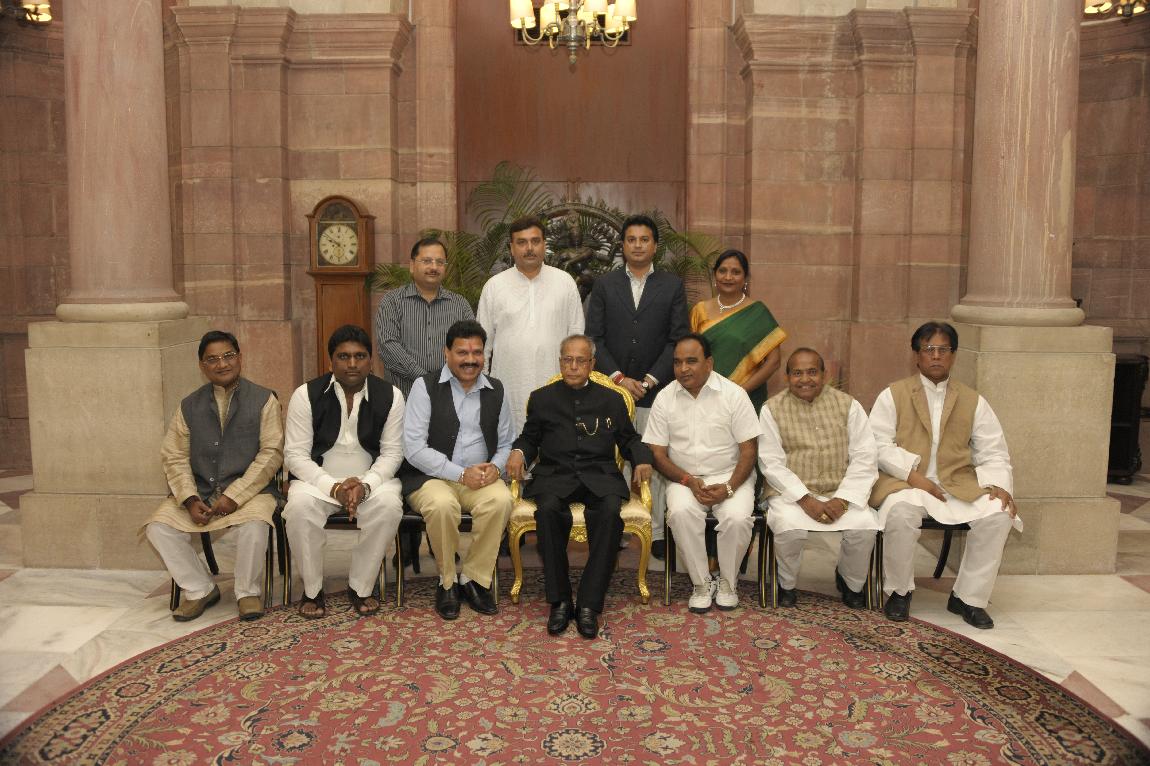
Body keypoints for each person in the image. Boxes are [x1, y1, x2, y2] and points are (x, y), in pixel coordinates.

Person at [870, 321, 1020, 629]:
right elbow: (877, 445)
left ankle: (968, 598)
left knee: (998, 513)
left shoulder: (973, 401)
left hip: (957, 484)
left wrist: (997, 485)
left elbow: (993, 451)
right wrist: (913, 476)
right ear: (917, 355)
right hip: (907, 483)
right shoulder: (893, 395)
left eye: (943, 349)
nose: (936, 356)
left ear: (953, 355)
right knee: (900, 513)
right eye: (929, 349)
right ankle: (899, 592)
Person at [506, 335, 653, 639]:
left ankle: (588, 604)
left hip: (599, 475)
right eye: (567, 360)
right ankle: (560, 601)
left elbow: (629, 439)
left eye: (580, 360)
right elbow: (529, 438)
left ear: (592, 364)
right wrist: (519, 452)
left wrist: (640, 459)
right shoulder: (542, 398)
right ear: (560, 362)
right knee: (547, 511)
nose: (573, 366)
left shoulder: (612, 399)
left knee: (609, 513)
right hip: (555, 475)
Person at [145, 330, 283, 622]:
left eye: (228, 356)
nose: (222, 364)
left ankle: (247, 592)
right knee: (157, 527)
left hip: (252, 491)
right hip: (201, 491)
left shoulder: (264, 400)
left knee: (256, 523)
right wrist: (189, 498)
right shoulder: (188, 406)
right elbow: (174, 455)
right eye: (212, 359)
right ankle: (200, 589)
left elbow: (271, 454)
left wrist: (235, 496)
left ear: (240, 358)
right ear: (202, 366)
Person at [585, 213, 689, 559]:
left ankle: (655, 530)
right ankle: (615, 526)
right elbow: (595, 337)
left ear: (655, 246)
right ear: (622, 245)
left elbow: (677, 340)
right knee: (613, 458)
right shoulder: (605, 284)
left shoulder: (671, 286)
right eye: (631, 239)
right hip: (612, 390)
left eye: (645, 239)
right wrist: (619, 378)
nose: (638, 245)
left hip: (655, 391)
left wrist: (648, 380)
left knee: (653, 458)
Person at [283, 325, 405, 619]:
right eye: (343, 356)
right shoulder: (305, 395)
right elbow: (295, 455)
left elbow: (392, 453)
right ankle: (312, 589)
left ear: (371, 361)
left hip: (372, 479)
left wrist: (366, 484)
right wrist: (333, 487)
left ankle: (361, 586)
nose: (352, 363)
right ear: (331, 362)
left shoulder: (391, 395)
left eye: (360, 356)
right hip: (317, 480)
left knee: (389, 506)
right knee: (299, 508)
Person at [399, 320, 514, 621]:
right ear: (446, 353)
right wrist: (460, 474)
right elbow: (414, 448)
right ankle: (447, 581)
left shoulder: (496, 389)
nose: (470, 360)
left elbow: (506, 442)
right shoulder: (425, 387)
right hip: (430, 477)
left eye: (477, 353)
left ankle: (474, 579)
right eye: (462, 352)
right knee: (441, 505)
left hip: (480, 476)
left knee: (501, 500)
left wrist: (496, 467)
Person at [643, 334, 760, 613]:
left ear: (709, 363)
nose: (683, 369)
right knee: (681, 514)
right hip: (684, 478)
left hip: (731, 475)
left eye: (691, 361)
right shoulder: (665, 398)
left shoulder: (734, 395)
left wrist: (729, 488)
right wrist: (687, 480)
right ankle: (701, 583)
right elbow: (658, 454)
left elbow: (749, 451)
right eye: (677, 362)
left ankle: (728, 583)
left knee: (736, 518)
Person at [758, 348, 879, 608]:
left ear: (824, 375)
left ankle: (850, 582)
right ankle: (786, 584)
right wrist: (805, 499)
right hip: (791, 494)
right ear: (787, 377)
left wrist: (843, 499)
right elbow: (771, 462)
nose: (805, 379)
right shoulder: (772, 409)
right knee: (790, 527)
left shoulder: (848, 405)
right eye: (797, 373)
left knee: (864, 526)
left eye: (812, 372)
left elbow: (865, 456)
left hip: (840, 490)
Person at [477, 215, 585, 434]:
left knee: (555, 447)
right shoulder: (494, 287)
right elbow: (482, 345)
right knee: (510, 448)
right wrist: (484, 391)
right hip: (508, 390)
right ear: (511, 248)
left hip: (557, 390)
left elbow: (576, 337)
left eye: (535, 241)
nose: (529, 248)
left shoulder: (564, 282)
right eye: (522, 242)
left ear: (544, 245)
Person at [375, 237, 475, 398]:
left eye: (440, 262)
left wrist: (444, 382)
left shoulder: (460, 305)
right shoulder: (392, 301)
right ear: (412, 265)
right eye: (427, 261)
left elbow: (470, 347)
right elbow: (388, 346)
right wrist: (425, 379)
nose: (434, 267)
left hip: (450, 395)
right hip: (404, 396)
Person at [689, 249, 786, 413]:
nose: (728, 277)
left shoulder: (758, 313)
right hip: (705, 396)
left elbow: (774, 361)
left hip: (745, 398)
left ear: (745, 278)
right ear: (715, 275)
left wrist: (739, 392)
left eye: (736, 272)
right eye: (722, 271)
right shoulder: (700, 310)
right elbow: (691, 356)